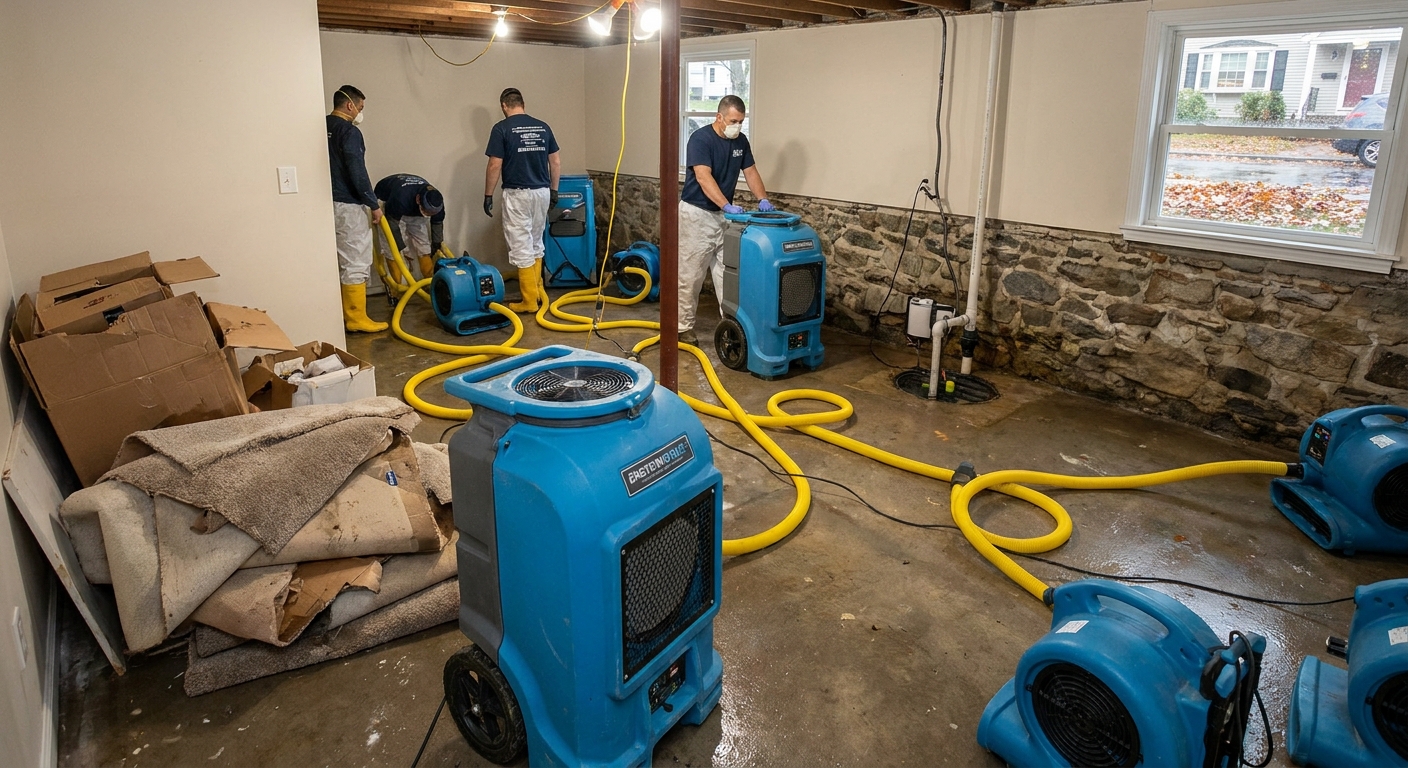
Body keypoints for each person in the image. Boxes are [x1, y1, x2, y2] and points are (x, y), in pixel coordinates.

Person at [678, 94, 773, 346]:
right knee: (691, 274)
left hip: (724, 218)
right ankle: (682, 328)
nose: (737, 126)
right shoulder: (700, 139)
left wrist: (763, 198)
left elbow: (750, 171)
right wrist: (726, 204)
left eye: (741, 121)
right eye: (733, 120)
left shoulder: (740, 140)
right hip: (697, 214)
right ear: (718, 117)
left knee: (727, 274)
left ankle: (732, 327)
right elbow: (702, 176)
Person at [484, 87, 561, 314]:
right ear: (523, 104)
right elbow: (555, 162)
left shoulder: (501, 128)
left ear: (503, 106)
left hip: (518, 194)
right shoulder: (543, 126)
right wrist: (554, 190)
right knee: (536, 243)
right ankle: (537, 293)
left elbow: (494, 164)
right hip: (542, 192)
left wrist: (488, 194)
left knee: (521, 246)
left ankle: (528, 302)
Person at [327, 84, 387, 333]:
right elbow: (357, 170)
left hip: (327, 201)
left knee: (340, 259)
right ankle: (357, 318)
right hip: (349, 204)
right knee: (356, 259)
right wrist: (373, 204)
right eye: (360, 108)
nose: (360, 113)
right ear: (350, 105)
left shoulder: (323, 126)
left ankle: (346, 314)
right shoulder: (348, 132)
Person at [374, 174, 445, 281]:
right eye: (426, 211)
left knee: (424, 247)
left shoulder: (436, 202)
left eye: (431, 213)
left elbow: (437, 222)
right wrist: (402, 248)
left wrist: (436, 245)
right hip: (389, 203)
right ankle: (398, 289)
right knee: (393, 250)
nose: (428, 214)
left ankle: (430, 281)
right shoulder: (401, 198)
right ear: (418, 200)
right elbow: (392, 226)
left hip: (412, 205)